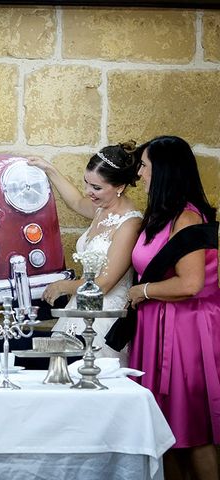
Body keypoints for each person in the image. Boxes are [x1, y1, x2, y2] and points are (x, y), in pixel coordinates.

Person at [126, 136, 219, 480]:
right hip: (157, 328)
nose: (141, 173)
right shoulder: (162, 216)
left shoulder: (188, 220)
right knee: (167, 434)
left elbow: (191, 284)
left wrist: (144, 290)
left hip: (183, 334)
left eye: (146, 166)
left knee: (192, 431)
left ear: (163, 172)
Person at [28, 143, 142, 363]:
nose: (89, 192)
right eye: (86, 183)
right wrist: (49, 169)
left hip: (103, 319)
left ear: (119, 186)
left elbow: (105, 283)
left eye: (97, 188)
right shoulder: (101, 208)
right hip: (77, 311)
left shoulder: (130, 223)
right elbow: (75, 201)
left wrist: (62, 287)